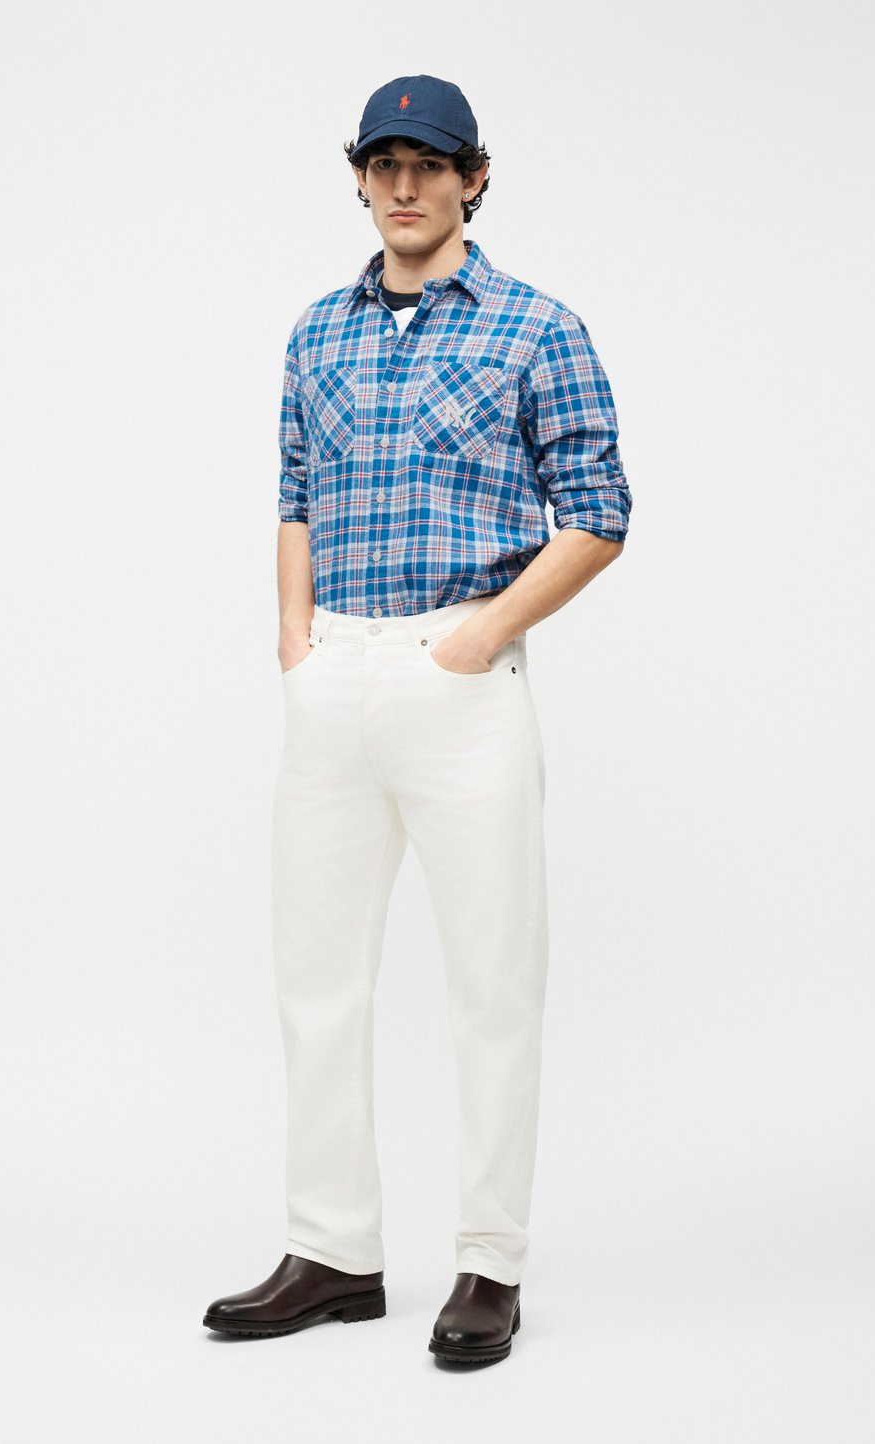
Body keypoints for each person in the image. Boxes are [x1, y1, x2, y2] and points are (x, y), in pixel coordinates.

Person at [203, 72, 632, 1367]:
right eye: (383, 163)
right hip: (334, 680)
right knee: (316, 980)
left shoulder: (537, 328)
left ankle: (489, 1263)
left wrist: (481, 637)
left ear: (472, 178)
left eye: (428, 165)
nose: (404, 186)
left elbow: (599, 512)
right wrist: (294, 640)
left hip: (460, 680)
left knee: (493, 982)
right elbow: (293, 489)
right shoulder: (315, 334)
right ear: (359, 176)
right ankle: (332, 1250)